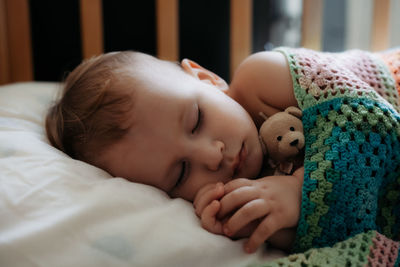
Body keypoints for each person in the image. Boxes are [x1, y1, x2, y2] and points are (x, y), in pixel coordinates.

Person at [45, 50, 305, 254]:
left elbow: (346, 102)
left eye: (196, 121)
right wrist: (255, 226)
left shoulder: (260, 80)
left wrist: (299, 186)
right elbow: (331, 231)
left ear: (207, 79)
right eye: (181, 172)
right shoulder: (233, 200)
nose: (213, 157)